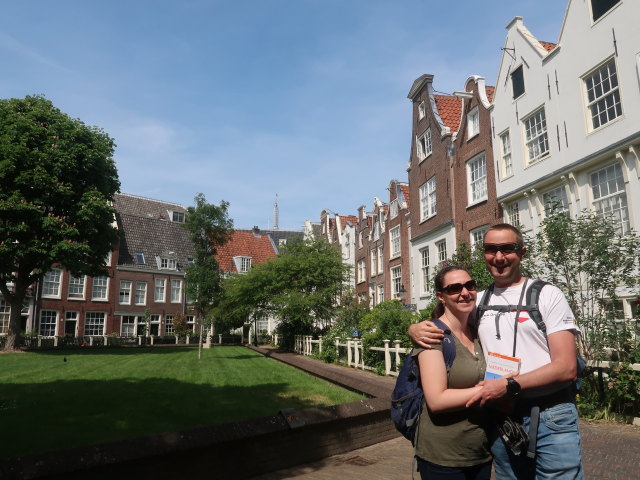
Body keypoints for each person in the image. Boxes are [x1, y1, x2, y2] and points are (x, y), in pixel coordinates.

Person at [409, 223, 584, 480]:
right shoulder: (478, 300)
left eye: (506, 249)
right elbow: (444, 321)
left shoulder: (547, 295)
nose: (499, 257)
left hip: (550, 415)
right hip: (501, 417)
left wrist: (509, 385)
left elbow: (567, 367)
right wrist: (413, 329)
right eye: (491, 249)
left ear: (521, 252)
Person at [412, 265, 492, 480]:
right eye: (454, 288)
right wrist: (489, 390)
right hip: (444, 456)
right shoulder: (432, 336)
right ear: (441, 296)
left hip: (480, 451)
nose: (465, 293)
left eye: (470, 285)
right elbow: (437, 400)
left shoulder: (478, 331)